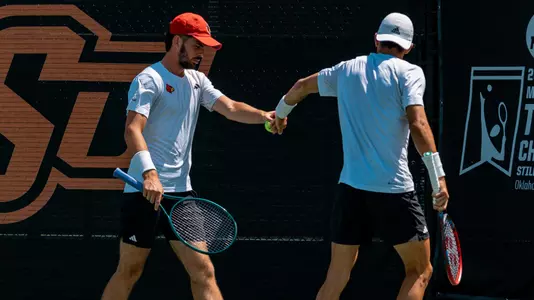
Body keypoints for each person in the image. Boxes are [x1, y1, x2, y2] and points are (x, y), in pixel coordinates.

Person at [101, 12, 283, 300]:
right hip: (143, 194)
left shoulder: (197, 81)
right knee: (129, 271)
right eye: (197, 46)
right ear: (177, 42)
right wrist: (149, 174)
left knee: (203, 271)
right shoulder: (149, 79)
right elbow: (132, 130)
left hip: (181, 197)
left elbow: (231, 108)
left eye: (204, 47)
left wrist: (264, 116)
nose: (202, 53)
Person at [270, 12, 449, 300]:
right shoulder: (411, 73)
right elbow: (418, 123)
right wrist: (438, 177)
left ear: (376, 39)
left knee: (337, 274)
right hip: (394, 191)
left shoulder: (347, 70)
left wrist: (279, 114)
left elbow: (301, 86)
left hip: (351, 189)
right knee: (420, 270)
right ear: (409, 47)